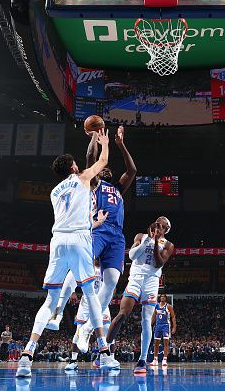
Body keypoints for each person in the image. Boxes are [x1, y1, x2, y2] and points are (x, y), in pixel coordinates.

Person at [16, 129, 118, 377]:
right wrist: (104, 143)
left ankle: (27, 356)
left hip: (58, 241)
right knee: (91, 295)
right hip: (80, 240)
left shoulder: (53, 192)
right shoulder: (82, 178)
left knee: (49, 300)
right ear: (73, 168)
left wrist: (93, 222)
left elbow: (71, 216)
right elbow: (102, 162)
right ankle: (104, 353)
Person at [73, 126, 137, 350]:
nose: (106, 170)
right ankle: (63, 295)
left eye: (109, 168)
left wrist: (120, 145)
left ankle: (88, 327)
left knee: (111, 283)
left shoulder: (118, 189)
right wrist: (94, 139)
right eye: (104, 169)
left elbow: (132, 170)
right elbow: (91, 158)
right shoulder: (94, 183)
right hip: (98, 229)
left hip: (117, 237)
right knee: (82, 265)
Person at [105, 217, 174, 374]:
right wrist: (147, 241)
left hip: (151, 282)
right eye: (157, 224)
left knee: (146, 321)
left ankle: (142, 360)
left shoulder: (169, 245)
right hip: (135, 279)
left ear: (166, 230)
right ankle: (104, 351)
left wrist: (155, 242)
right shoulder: (140, 236)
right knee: (122, 314)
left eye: (163, 226)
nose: (159, 227)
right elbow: (132, 256)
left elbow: (158, 263)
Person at [150, 294, 176, 367]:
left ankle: (164, 359)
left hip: (166, 326)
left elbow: (173, 316)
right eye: (161, 297)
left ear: (166, 298)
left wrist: (174, 327)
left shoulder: (169, 306)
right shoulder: (156, 306)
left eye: (164, 297)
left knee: (166, 343)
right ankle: (155, 359)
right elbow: (154, 316)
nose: (162, 298)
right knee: (156, 343)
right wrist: (151, 325)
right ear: (160, 298)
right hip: (158, 326)